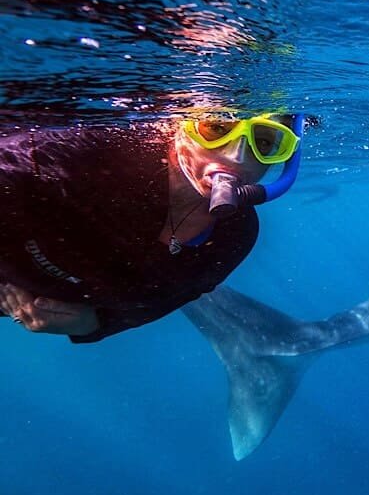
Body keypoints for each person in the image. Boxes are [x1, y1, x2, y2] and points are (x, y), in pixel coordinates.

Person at [0, 112, 303, 342]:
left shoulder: (236, 234)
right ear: (179, 128)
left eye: (264, 143)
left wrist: (88, 324)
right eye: (215, 128)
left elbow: (156, 304)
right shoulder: (79, 156)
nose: (236, 156)